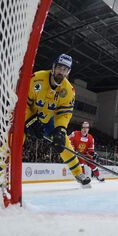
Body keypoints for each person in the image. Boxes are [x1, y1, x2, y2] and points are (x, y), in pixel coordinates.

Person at [23, 54, 91, 186]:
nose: (61, 72)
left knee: (64, 142)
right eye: (59, 67)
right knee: (15, 139)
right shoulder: (37, 78)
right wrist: (30, 121)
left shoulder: (68, 90)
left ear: (68, 72)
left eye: (65, 70)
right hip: (26, 116)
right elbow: (23, 102)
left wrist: (60, 130)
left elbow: (64, 113)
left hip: (47, 121)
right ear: (53, 67)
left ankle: (78, 173)